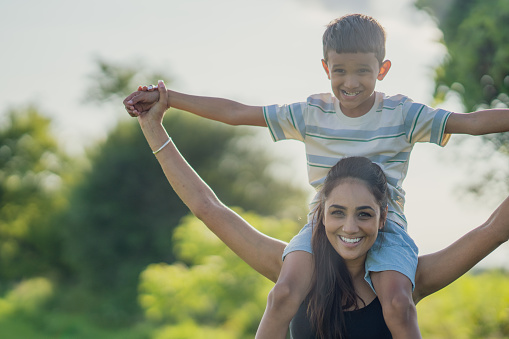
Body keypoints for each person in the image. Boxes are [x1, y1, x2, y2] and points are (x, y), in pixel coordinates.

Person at [124, 14, 509, 338]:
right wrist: (169, 100)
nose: (351, 82)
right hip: (315, 225)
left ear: (383, 69)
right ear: (326, 68)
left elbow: (469, 127)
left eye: (363, 71)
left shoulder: (403, 115)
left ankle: (357, 213)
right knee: (282, 293)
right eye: (340, 70)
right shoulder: (311, 114)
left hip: (391, 229)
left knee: (397, 303)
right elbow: (237, 116)